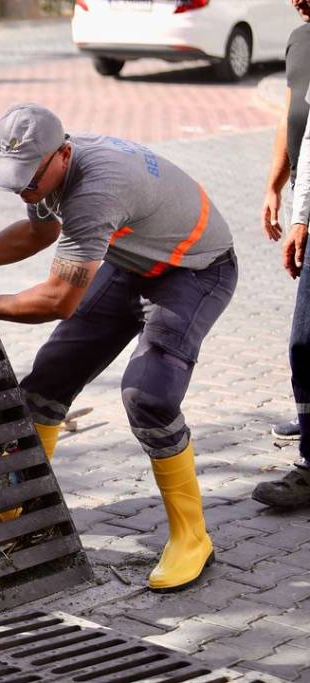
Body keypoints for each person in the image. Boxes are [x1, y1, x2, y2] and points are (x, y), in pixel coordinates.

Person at [0, 104, 236, 592]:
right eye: (15, 179)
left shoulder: (95, 190)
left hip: (195, 271)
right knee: (49, 377)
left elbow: (58, 299)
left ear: (62, 153)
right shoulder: (47, 170)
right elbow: (39, 231)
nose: (24, 190)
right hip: (134, 263)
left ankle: (192, 538)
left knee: (149, 396)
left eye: (30, 179)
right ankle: (20, 498)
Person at [256, 5, 310, 510]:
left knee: (305, 342)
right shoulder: (301, 38)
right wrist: (276, 187)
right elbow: (293, 115)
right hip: (306, 200)